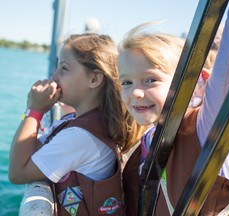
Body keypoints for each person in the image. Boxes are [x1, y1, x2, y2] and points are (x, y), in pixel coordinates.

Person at [117, 0, 229, 215]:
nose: (136, 93)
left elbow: (227, 74)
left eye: (150, 80)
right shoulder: (149, 138)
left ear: (196, 84)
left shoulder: (203, 127)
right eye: (126, 82)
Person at [8, 33, 143, 215]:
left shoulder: (81, 137)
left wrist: (34, 111)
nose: (54, 76)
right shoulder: (81, 123)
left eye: (63, 68)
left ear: (94, 79)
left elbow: (17, 172)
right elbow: (30, 153)